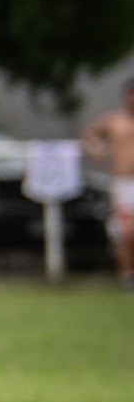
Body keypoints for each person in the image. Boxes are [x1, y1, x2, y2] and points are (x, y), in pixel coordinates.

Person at [81, 79, 134, 289]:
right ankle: (127, 277)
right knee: (126, 232)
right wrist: (96, 149)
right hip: (123, 185)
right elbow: (88, 136)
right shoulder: (114, 121)